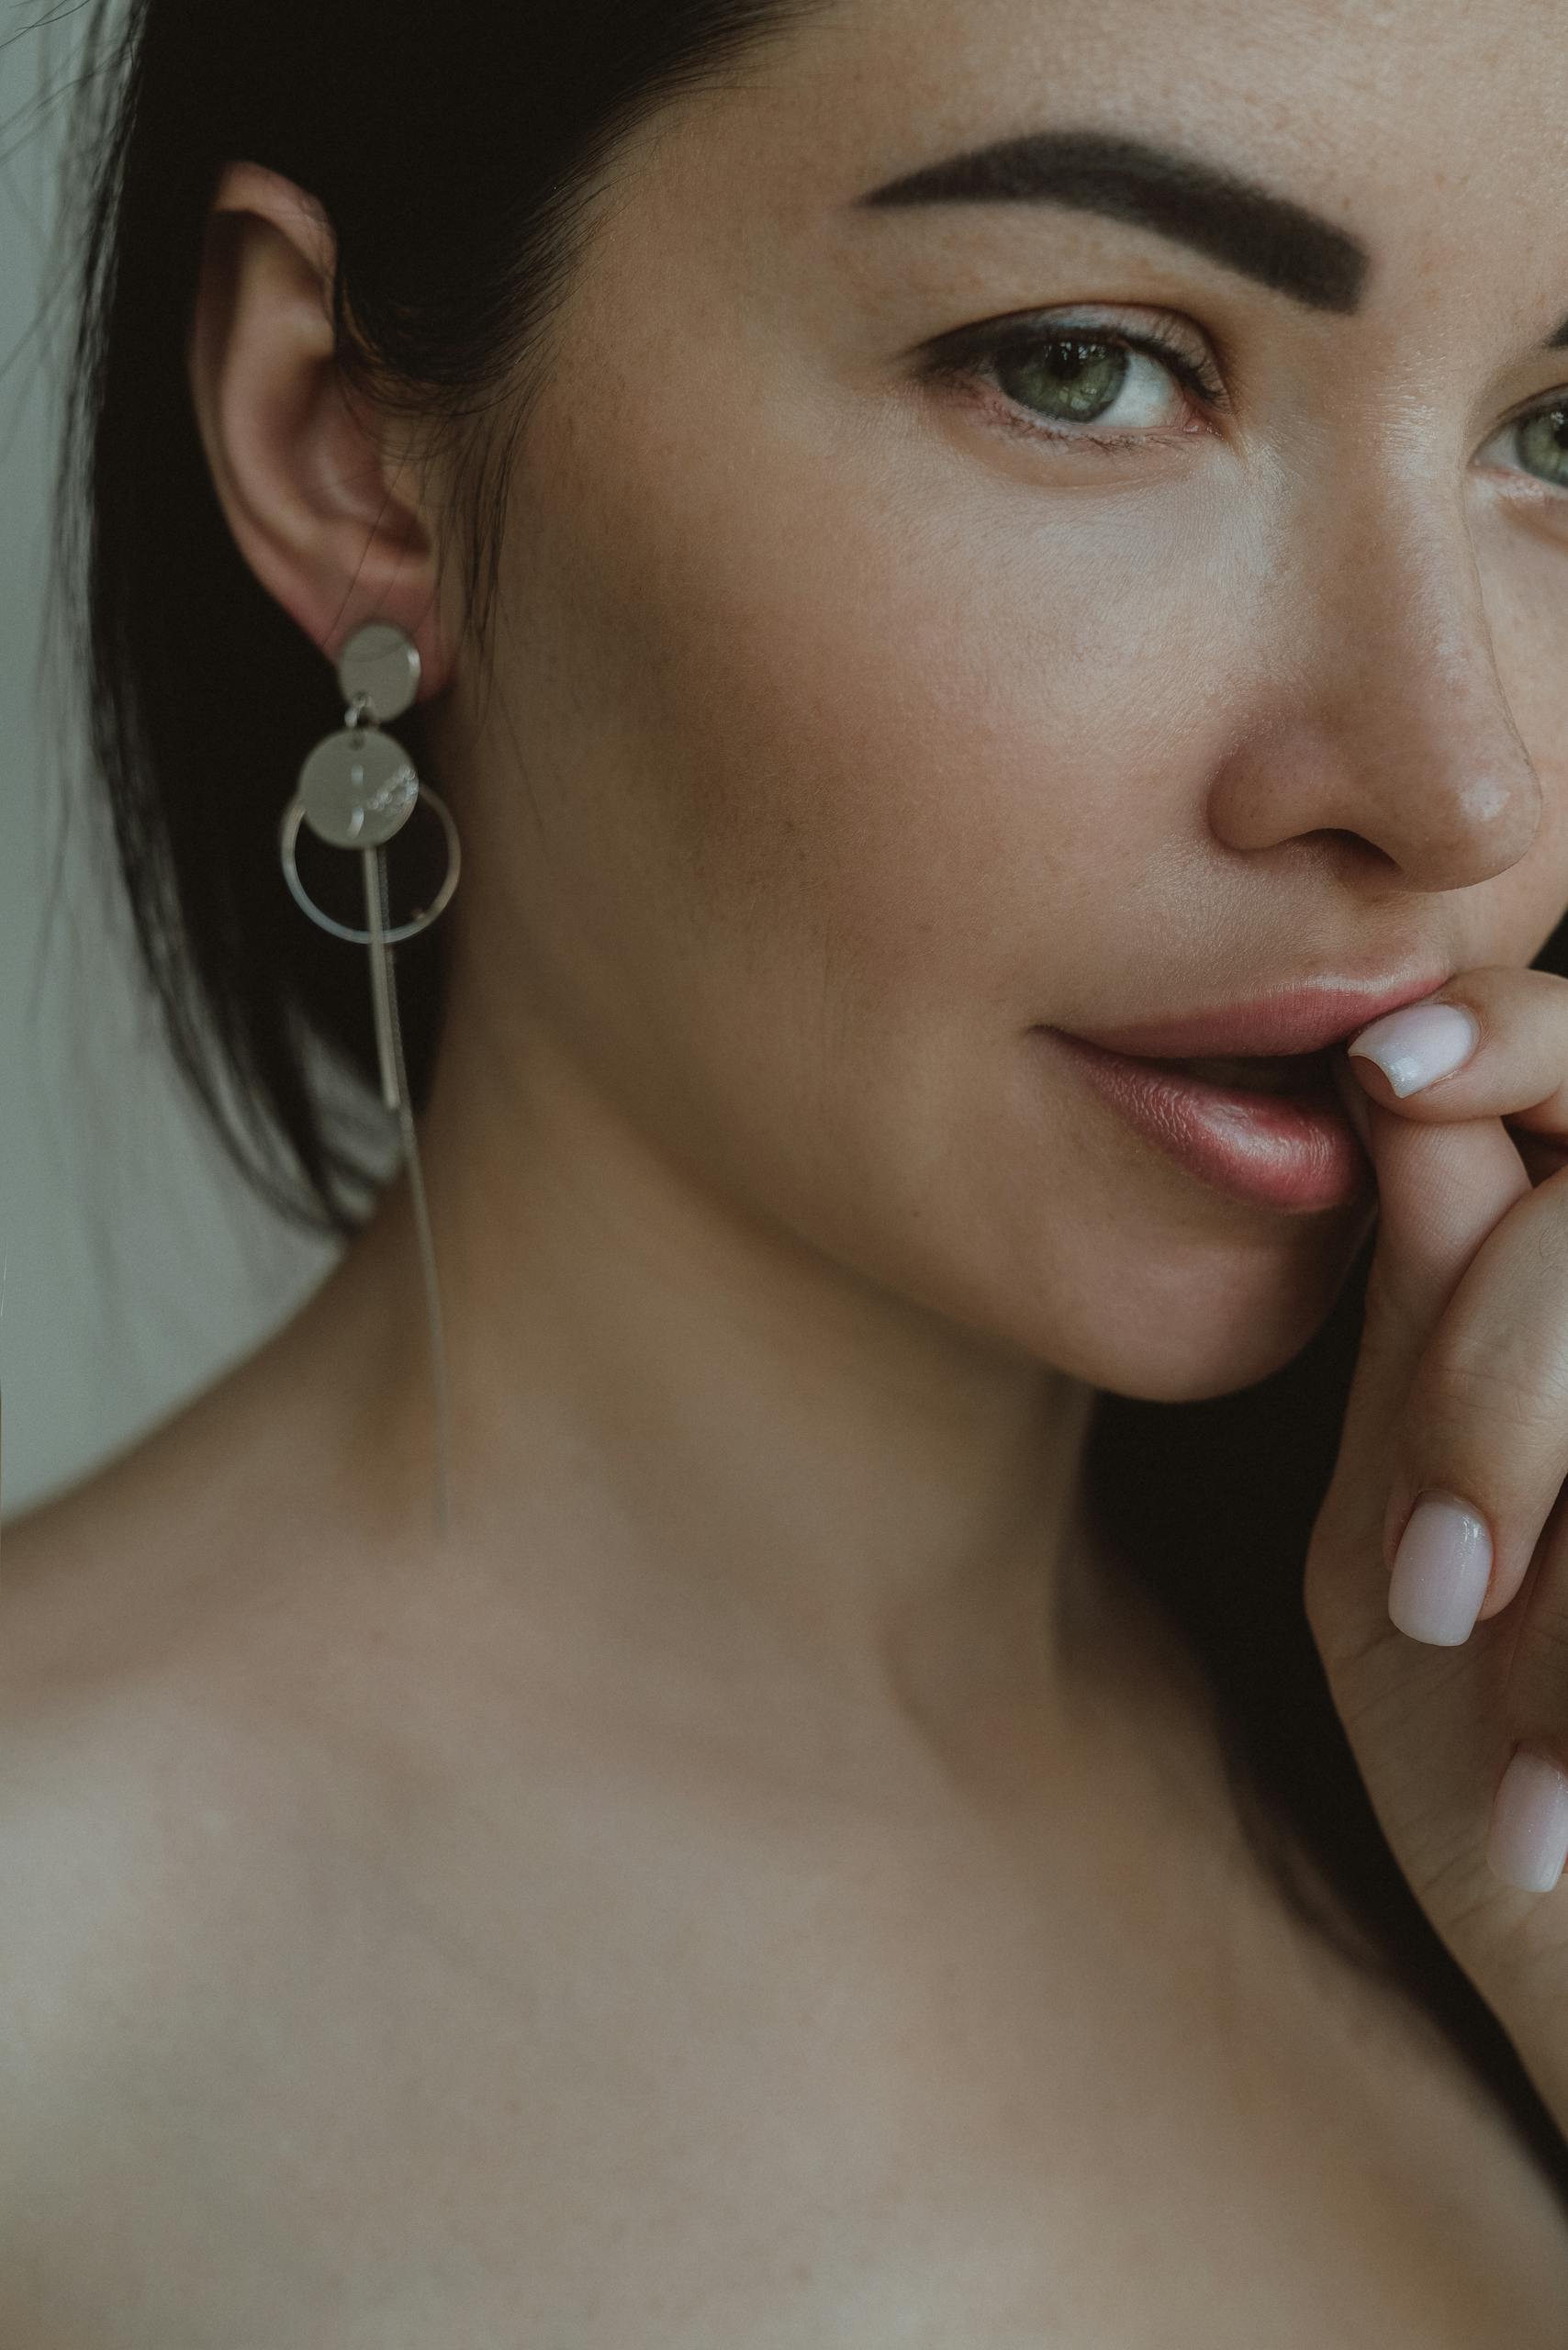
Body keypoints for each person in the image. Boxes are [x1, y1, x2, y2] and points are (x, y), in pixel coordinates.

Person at [5, 0, 1568, 2336]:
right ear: (343, 445)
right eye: (1082, 369)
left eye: (1556, 432)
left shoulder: (1478, 1731)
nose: (1457, 787)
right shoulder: (50, 2014)